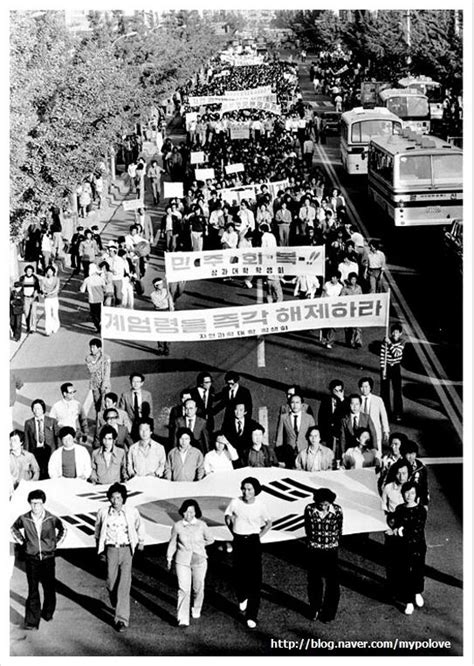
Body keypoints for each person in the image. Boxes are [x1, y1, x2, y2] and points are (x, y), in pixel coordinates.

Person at [11, 489, 67, 629]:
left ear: (43, 504)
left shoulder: (51, 518)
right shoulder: (24, 518)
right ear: (29, 503)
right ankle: (32, 621)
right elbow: (13, 528)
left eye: (39, 503)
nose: (36, 507)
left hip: (48, 558)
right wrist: (24, 543)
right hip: (32, 558)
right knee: (33, 588)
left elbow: (64, 529)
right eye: (33, 503)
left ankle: (48, 612)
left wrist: (54, 545)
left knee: (49, 587)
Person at [95, 483, 145, 632]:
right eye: (113, 498)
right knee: (111, 581)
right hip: (111, 549)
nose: (116, 501)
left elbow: (139, 526)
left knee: (124, 583)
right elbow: (97, 529)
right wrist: (99, 547)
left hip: (126, 549)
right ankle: (115, 600)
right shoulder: (103, 512)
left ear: (123, 499)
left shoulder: (131, 512)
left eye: (118, 498)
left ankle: (121, 619)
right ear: (109, 499)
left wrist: (141, 541)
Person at [225, 477, 272, 629]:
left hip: (253, 542)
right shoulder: (235, 502)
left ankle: (251, 615)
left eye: (250, 489)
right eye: (244, 489)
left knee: (255, 579)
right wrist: (232, 529)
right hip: (238, 540)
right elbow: (227, 516)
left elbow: (268, 522)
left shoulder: (260, 505)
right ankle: (242, 596)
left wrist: (259, 536)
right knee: (238, 573)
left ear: (255, 491)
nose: (246, 492)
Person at [166, 499, 215, 627]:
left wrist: (200, 546)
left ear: (196, 513)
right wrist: (169, 558)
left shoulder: (202, 525)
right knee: (183, 589)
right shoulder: (177, 526)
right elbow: (172, 543)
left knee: (198, 588)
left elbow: (210, 540)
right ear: (182, 512)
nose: (189, 515)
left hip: (199, 560)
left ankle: (196, 608)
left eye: (192, 512)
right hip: (182, 561)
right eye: (186, 512)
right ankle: (183, 618)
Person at [386, 481, 427, 615]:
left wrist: (398, 531)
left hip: (417, 545)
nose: (409, 495)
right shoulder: (399, 508)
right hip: (402, 547)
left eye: (413, 493)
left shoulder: (421, 510)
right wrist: (392, 528)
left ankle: (417, 592)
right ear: (402, 493)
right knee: (405, 573)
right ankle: (409, 601)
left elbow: (416, 528)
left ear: (417, 494)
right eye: (407, 492)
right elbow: (396, 523)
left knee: (418, 570)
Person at [304, 488, 343, 622]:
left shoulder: (337, 510)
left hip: (331, 551)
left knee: (332, 583)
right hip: (314, 550)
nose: (324, 507)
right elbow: (308, 528)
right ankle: (314, 608)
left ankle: (328, 613)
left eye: (326, 505)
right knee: (314, 581)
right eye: (321, 504)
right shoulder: (309, 509)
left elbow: (339, 528)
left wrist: (332, 543)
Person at [275, 393, 316, 468]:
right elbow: (279, 438)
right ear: (289, 404)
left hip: (305, 451)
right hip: (289, 453)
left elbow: (314, 436)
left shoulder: (309, 418)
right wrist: (279, 455)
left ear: (302, 404)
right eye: (292, 402)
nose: (295, 405)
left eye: (297, 402)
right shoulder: (284, 418)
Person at [24, 399, 60, 479]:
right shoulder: (29, 423)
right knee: (37, 472)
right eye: (34, 408)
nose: (36, 411)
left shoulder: (52, 421)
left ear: (43, 409)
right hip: (36, 452)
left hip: (49, 451)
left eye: (38, 408)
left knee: (49, 472)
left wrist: (58, 451)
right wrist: (26, 456)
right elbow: (27, 441)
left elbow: (57, 438)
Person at [357, 376, 389, 455]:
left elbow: (383, 415)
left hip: (375, 431)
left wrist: (386, 430)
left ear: (370, 387)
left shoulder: (378, 400)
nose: (364, 389)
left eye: (366, 387)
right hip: (362, 431)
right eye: (361, 387)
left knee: (377, 453)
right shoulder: (357, 400)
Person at [380, 323, 405, 423]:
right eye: (393, 332)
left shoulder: (402, 342)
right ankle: (385, 412)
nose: (395, 334)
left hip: (395, 367)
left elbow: (396, 354)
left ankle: (398, 413)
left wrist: (390, 344)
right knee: (384, 390)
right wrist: (383, 369)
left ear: (400, 333)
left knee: (397, 391)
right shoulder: (385, 341)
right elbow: (382, 355)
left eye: (397, 332)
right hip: (386, 367)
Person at [119, 373, 154, 441]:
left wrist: (150, 427)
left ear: (142, 383)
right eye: (133, 381)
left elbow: (150, 412)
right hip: (130, 425)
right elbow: (122, 412)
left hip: (143, 423)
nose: (135, 384)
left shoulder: (147, 395)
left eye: (138, 382)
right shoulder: (125, 395)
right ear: (130, 382)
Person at [401, 440, 430, 508]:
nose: (411, 457)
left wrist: (425, 503)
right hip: (401, 499)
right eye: (408, 454)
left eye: (413, 454)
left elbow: (424, 486)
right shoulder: (399, 466)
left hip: (416, 501)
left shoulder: (421, 468)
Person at [85, 338, 111, 414]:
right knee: (97, 404)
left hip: (105, 384)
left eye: (93, 347)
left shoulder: (106, 357)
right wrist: (100, 360)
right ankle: (98, 421)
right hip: (95, 385)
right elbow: (92, 369)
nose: (91, 349)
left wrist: (104, 383)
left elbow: (107, 372)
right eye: (90, 347)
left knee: (106, 403)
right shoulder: (89, 358)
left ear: (99, 348)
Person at [150, 277, 174, 356]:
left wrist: (172, 310)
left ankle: (166, 347)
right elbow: (157, 304)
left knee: (166, 330)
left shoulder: (166, 291)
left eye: (162, 283)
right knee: (159, 331)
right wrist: (165, 299)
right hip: (158, 312)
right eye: (160, 284)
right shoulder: (153, 295)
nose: (162, 285)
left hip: (166, 311)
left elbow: (170, 302)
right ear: (156, 286)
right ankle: (160, 347)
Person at [80, 264, 105, 334]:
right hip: (100, 299)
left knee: (94, 314)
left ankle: (97, 327)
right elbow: (104, 287)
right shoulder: (100, 279)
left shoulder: (87, 280)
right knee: (100, 313)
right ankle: (101, 324)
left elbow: (82, 290)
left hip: (92, 300)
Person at [341, 272, 363, 349]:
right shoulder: (345, 289)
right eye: (352, 279)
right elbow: (341, 298)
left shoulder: (359, 288)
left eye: (354, 279)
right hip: (348, 310)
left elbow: (362, 297)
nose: (353, 281)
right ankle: (349, 341)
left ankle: (358, 341)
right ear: (349, 280)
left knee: (357, 327)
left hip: (356, 309)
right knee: (348, 328)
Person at [19, 265, 41, 334]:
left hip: (33, 298)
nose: (29, 272)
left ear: (32, 272)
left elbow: (38, 288)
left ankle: (33, 328)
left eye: (30, 271)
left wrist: (36, 292)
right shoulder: (22, 278)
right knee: (26, 313)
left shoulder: (35, 278)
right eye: (28, 271)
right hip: (25, 298)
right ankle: (28, 326)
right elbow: (20, 288)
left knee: (33, 313)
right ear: (25, 271)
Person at [42, 265, 61, 336]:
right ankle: (48, 330)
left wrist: (50, 292)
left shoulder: (57, 279)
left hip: (54, 298)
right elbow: (42, 288)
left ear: (53, 272)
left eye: (51, 271)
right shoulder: (44, 279)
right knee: (48, 314)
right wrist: (44, 292)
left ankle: (55, 326)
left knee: (55, 313)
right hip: (47, 299)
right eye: (48, 271)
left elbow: (57, 288)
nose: (49, 273)